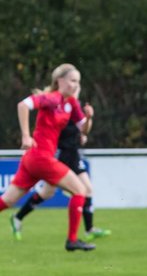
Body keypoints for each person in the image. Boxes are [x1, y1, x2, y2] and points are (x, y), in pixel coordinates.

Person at [0, 64, 97, 251]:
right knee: (80, 190)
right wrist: (26, 136)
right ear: (59, 80)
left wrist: (89, 118)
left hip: (34, 159)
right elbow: (23, 105)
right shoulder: (52, 99)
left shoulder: (71, 104)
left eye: (78, 81)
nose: (76, 85)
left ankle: (73, 239)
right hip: (40, 157)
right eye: (72, 80)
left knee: (8, 201)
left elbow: (82, 128)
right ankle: (72, 240)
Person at [10, 81, 110, 241]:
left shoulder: (73, 108)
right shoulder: (59, 109)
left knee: (84, 189)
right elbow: (56, 130)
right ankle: (19, 217)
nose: (75, 89)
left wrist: (87, 123)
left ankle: (88, 229)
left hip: (73, 155)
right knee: (51, 192)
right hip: (62, 156)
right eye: (73, 85)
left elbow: (83, 128)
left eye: (77, 86)